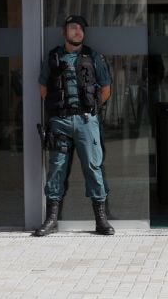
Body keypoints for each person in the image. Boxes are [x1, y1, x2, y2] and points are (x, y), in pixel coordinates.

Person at [33, 15, 114, 236]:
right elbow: (43, 89)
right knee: (57, 168)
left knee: (93, 167)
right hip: (60, 121)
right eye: (73, 28)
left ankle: (101, 220)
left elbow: (106, 90)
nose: (78, 31)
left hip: (87, 121)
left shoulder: (94, 57)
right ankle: (51, 220)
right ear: (64, 32)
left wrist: (91, 109)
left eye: (80, 28)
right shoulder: (53, 57)